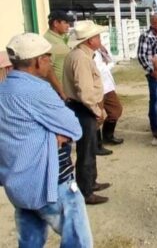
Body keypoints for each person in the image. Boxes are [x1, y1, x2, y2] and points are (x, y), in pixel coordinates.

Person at [0, 33, 92, 247]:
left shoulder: (3, 89)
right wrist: (54, 134)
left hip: (18, 182)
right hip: (51, 182)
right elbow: (73, 127)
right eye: (48, 57)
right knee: (78, 242)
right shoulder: (37, 90)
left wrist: (48, 132)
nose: (50, 62)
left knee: (30, 241)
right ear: (39, 60)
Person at [64, 21, 111, 205]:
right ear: (90, 40)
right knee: (86, 150)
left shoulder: (81, 55)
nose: (99, 39)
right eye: (97, 36)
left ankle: (91, 182)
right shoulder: (81, 58)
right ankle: (86, 190)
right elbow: (84, 91)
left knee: (89, 148)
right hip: (83, 108)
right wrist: (97, 110)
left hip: (82, 106)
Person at [137, 13, 157, 145]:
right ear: (152, 23)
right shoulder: (146, 36)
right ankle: (154, 127)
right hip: (153, 74)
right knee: (155, 99)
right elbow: (141, 56)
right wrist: (151, 71)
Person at [94, 44, 124, 157]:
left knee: (116, 110)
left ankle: (108, 136)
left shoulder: (100, 49)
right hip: (96, 87)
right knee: (97, 115)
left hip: (107, 85)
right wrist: (106, 65)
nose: (99, 39)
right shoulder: (85, 53)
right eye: (96, 37)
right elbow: (96, 69)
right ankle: (96, 144)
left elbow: (111, 61)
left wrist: (106, 60)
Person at [43, 10, 74, 100]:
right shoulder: (49, 41)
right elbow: (48, 69)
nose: (68, 26)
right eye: (65, 23)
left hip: (64, 88)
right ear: (56, 23)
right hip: (57, 91)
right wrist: (61, 92)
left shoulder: (58, 38)